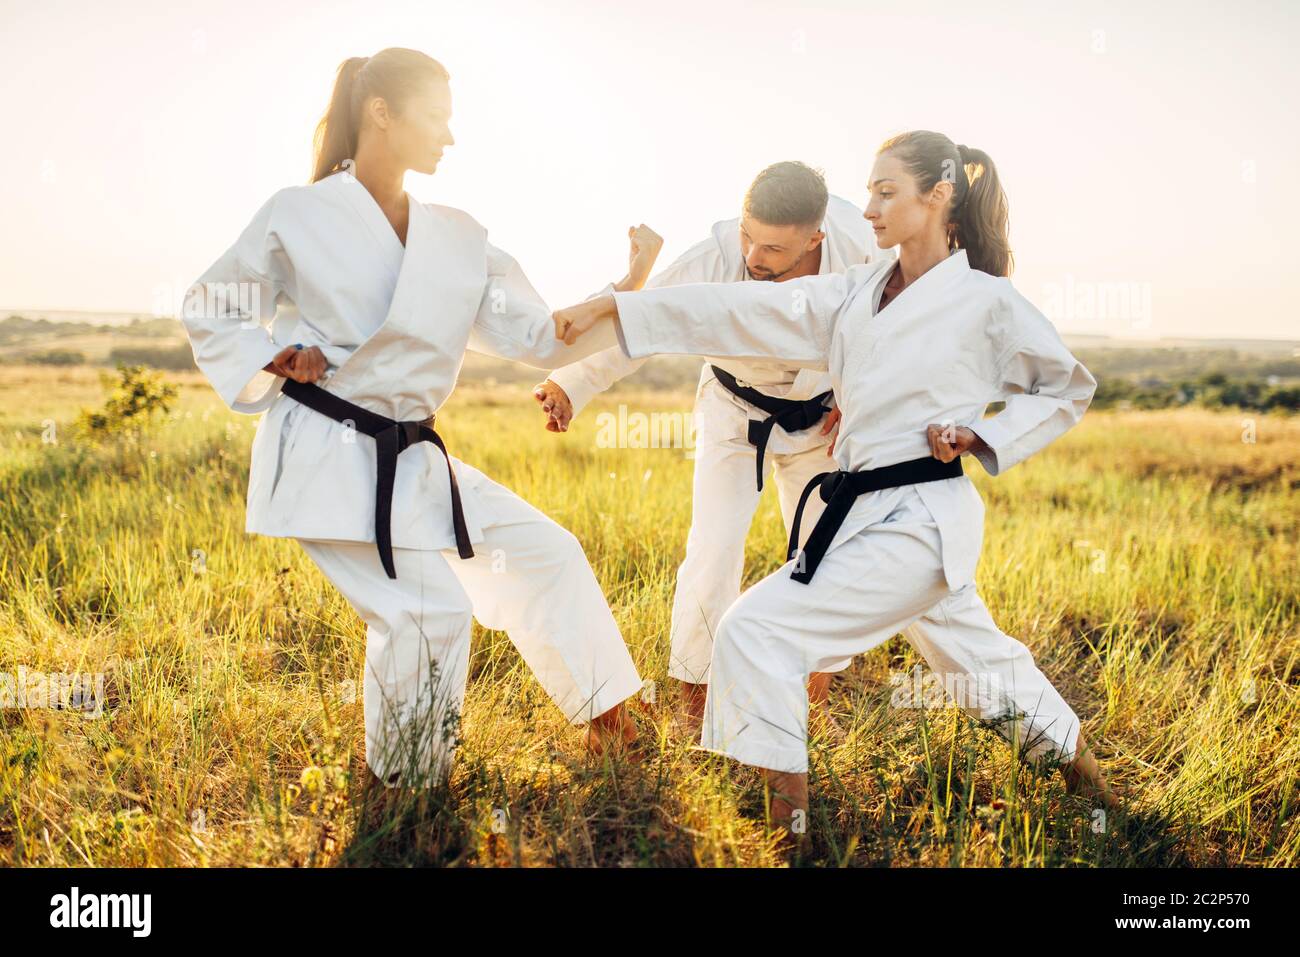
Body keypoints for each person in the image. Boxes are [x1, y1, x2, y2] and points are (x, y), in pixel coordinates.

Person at [553, 130, 1120, 836]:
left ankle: (785, 836)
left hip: (918, 516)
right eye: (871, 190)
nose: (872, 206)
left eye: (887, 192)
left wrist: (984, 436)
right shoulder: (856, 290)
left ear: (938, 196)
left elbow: (1069, 387)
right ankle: (1103, 798)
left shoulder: (984, 302)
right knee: (985, 669)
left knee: (755, 632)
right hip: (861, 509)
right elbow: (739, 310)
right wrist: (618, 309)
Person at [180, 48, 660, 787]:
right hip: (327, 455)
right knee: (428, 613)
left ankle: (612, 724)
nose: (450, 136)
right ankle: (406, 788)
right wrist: (274, 351)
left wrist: (624, 287)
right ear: (382, 113)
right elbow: (213, 304)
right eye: (436, 117)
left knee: (546, 551)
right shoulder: (298, 213)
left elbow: (538, 336)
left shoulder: (458, 236)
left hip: (412, 459)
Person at [534, 162, 896, 738]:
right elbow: (645, 320)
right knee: (714, 547)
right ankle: (694, 707)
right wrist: (571, 384)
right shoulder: (716, 254)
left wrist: (863, 396)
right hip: (733, 410)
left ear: (815, 239)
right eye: (749, 236)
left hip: (824, 417)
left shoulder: (861, 248)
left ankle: (812, 704)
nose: (754, 255)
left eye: (774, 247)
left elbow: (893, 328)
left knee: (824, 555)